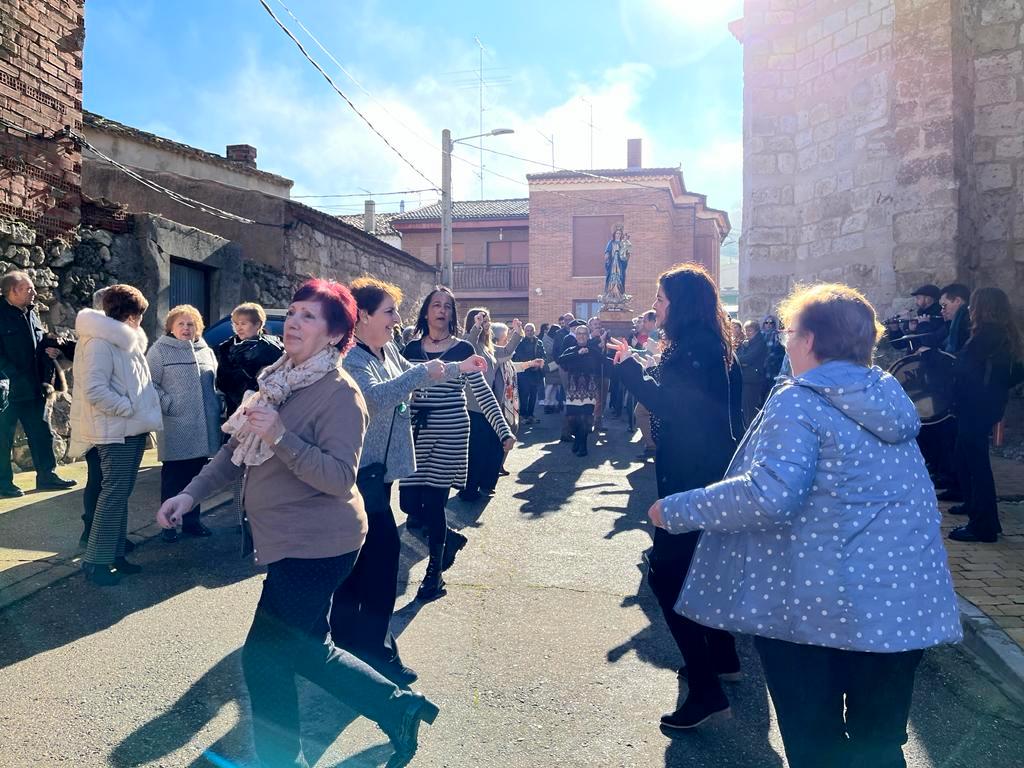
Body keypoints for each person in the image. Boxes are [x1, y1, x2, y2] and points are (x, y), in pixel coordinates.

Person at [647, 283, 961, 765]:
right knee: (879, 746)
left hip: (821, 613)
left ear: (811, 340)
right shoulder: (889, 398)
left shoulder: (800, 400)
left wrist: (676, 510)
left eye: (790, 332)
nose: (786, 342)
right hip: (901, 608)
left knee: (817, 749)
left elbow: (767, 494)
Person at [157, 279, 438, 768]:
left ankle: (279, 760)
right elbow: (234, 451)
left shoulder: (340, 394)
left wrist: (283, 436)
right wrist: (189, 494)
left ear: (334, 335)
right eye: (292, 312)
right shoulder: (276, 380)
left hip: (320, 545)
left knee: (263, 658)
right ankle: (399, 710)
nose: (294, 322)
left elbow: (336, 477)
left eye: (310, 316)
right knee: (309, 649)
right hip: (287, 540)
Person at [607, 263, 744, 732]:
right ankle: (722, 654)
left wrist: (628, 369)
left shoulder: (699, 348)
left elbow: (672, 404)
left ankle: (707, 689)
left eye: (662, 299)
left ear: (681, 303)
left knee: (667, 576)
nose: (657, 306)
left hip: (693, 476)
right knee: (699, 565)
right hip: (703, 472)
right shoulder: (705, 345)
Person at [332, 277, 486, 685]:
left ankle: (347, 643)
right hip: (359, 475)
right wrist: (419, 376)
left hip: (377, 476)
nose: (397, 320)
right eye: (389, 312)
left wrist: (461, 367)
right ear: (362, 316)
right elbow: (374, 397)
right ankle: (375, 651)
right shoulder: (353, 358)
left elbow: (422, 371)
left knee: (361, 561)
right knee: (378, 562)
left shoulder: (384, 352)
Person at [400, 288, 512, 601]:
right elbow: (399, 388)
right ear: (425, 312)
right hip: (416, 432)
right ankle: (449, 541)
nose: (441, 311)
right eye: (436, 305)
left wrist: (503, 431)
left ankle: (433, 574)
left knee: (434, 503)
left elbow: (483, 393)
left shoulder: (463, 349)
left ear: (452, 314)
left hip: (450, 431)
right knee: (410, 505)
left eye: (447, 307)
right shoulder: (409, 348)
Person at [70, 285, 162, 586]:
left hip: (128, 429)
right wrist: (129, 408)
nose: (141, 320)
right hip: (115, 431)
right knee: (112, 495)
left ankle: (116, 553)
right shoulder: (100, 342)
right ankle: (96, 561)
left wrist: (134, 411)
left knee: (118, 495)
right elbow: (95, 389)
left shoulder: (121, 340)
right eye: (139, 314)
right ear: (128, 313)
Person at [947, 287, 1022, 543]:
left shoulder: (987, 335)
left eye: (973, 305)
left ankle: (984, 525)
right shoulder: (1003, 334)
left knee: (976, 466)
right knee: (964, 459)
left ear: (983, 307)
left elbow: (964, 369)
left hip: (975, 407)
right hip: (986, 405)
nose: (969, 310)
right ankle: (978, 511)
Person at [146, 305, 222, 542]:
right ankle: (168, 525)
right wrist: (169, 405)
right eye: (181, 324)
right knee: (173, 477)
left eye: (191, 324)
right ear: (171, 327)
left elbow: (215, 383)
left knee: (196, 477)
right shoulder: (160, 351)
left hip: (204, 426)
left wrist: (217, 403)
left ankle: (192, 522)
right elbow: (149, 384)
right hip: (177, 425)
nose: (186, 328)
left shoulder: (205, 350)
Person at [0, 271, 76, 497]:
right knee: (3, 438)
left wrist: (50, 349)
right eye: (29, 289)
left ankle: (47, 476)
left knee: (43, 433)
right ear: (13, 291)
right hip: (8, 391)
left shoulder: (32, 313)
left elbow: (37, 342)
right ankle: (3, 483)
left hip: (35, 388)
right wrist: (14, 376)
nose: (34, 292)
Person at [460, 308, 521, 501]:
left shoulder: (488, 347)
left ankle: (487, 483)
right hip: (474, 406)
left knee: (494, 446)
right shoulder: (468, 344)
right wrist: (476, 327)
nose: (487, 325)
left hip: (492, 405)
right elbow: (466, 347)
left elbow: (507, 352)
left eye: (487, 321)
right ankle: (469, 490)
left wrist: (517, 333)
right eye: (483, 321)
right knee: (475, 450)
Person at [215, 302, 284, 418]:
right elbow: (222, 381)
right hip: (235, 409)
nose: (238, 328)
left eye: (243, 324)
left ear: (258, 325)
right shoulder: (226, 348)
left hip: (265, 408)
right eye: (235, 324)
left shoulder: (272, 347)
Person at [557, 324, 603, 456]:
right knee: (573, 418)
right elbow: (560, 360)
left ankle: (583, 446)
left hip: (589, 388)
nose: (581, 336)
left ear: (588, 336)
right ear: (575, 336)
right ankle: (577, 440)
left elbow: (603, 361)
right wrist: (577, 353)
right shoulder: (571, 349)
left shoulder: (593, 350)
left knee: (584, 418)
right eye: (579, 334)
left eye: (584, 333)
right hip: (573, 388)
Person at [737, 319, 768, 426]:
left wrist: (739, 360)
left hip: (754, 379)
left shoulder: (760, 343)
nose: (747, 333)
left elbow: (748, 359)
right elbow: (742, 357)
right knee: (745, 408)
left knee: (750, 409)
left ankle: (751, 431)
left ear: (756, 331)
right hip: (746, 378)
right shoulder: (747, 343)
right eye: (746, 331)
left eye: (750, 330)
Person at [512, 322, 545, 424]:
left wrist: (539, 364)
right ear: (525, 331)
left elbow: (544, 355)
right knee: (524, 395)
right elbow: (518, 357)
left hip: (536, 374)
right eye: (527, 331)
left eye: (531, 330)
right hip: (524, 373)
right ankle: (523, 415)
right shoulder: (520, 343)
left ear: (534, 331)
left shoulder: (539, 342)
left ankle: (531, 415)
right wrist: (531, 365)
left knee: (533, 395)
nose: (529, 332)